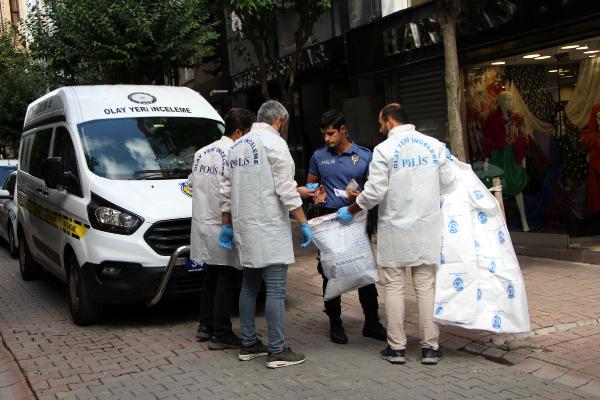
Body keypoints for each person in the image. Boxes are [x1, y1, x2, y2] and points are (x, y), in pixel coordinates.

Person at [337, 103, 454, 365]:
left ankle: (397, 347)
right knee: (425, 287)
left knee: (394, 287)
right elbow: (448, 182)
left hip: (395, 231)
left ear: (390, 121)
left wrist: (353, 208)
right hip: (427, 228)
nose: (380, 129)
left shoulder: (384, 150)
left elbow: (375, 191)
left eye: (380, 124)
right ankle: (430, 348)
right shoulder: (434, 146)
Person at [219, 100, 313, 369]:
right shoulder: (275, 144)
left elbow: (225, 191)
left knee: (249, 286)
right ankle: (277, 350)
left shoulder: (237, 146)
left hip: (244, 228)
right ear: (279, 121)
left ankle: (248, 344)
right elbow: (286, 188)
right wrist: (303, 222)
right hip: (269, 227)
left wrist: (226, 224)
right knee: (274, 289)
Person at [300, 109, 386, 344]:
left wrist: (358, 195)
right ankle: (335, 323)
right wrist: (314, 193)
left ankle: (372, 322)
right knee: (331, 272)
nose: (327, 139)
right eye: (324, 135)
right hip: (329, 222)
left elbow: (373, 190)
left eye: (330, 134)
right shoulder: (319, 157)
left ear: (343, 129)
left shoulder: (365, 156)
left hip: (356, 220)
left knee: (364, 270)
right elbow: (311, 185)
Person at [190, 108, 256, 349]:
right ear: (239, 132)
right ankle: (221, 332)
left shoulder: (200, 153)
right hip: (222, 224)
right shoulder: (234, 153)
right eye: (248, 133)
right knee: (227, 277)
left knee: (211, 275)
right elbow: (232, 191)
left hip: (202, 224)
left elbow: (191, 183)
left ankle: (205, 325)